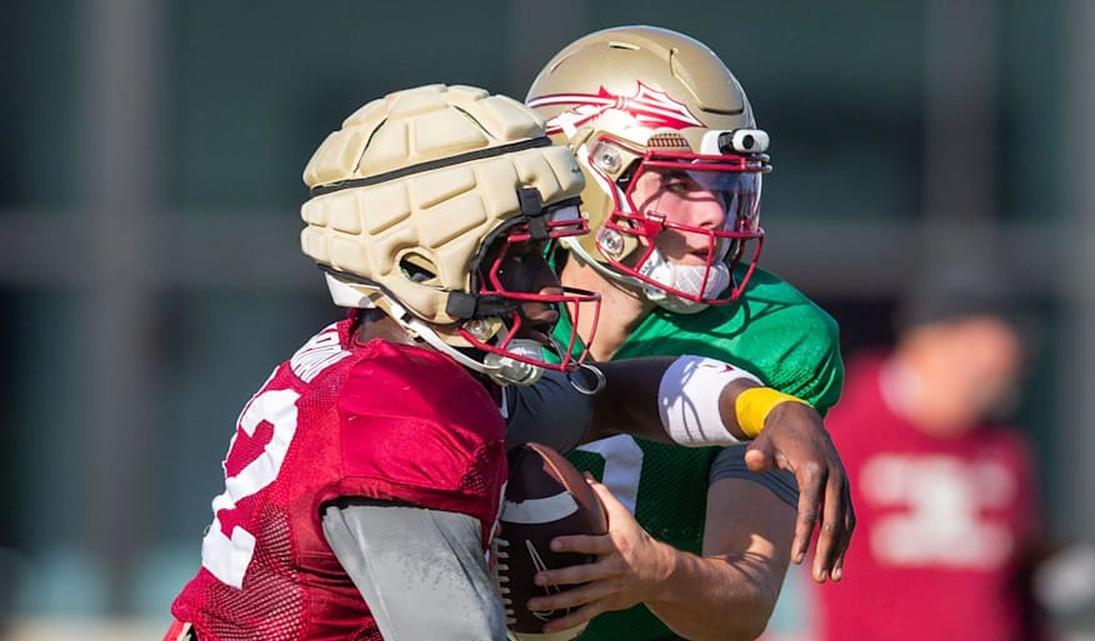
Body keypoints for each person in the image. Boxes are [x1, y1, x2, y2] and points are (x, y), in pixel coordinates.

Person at [165, 83, 852, 641]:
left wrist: (769, 407)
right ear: (415, 264)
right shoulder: (398, 424)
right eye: (517, 257)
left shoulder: (408, 361)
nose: (550, 290)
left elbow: (609, 396)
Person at [514, 26, 855, 641]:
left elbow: (743, 603)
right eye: (676, 182)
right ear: (578, 176)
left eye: (725, 183)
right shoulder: (487, 305)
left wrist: (656, 573)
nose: (714, 217)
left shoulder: (772, 333)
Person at [810, 270, 1045, 641]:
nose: (1007, 367)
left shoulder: (1004, 453)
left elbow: (1022, 594)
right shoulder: (838, 433)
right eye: (992, 350)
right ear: (940, 342)